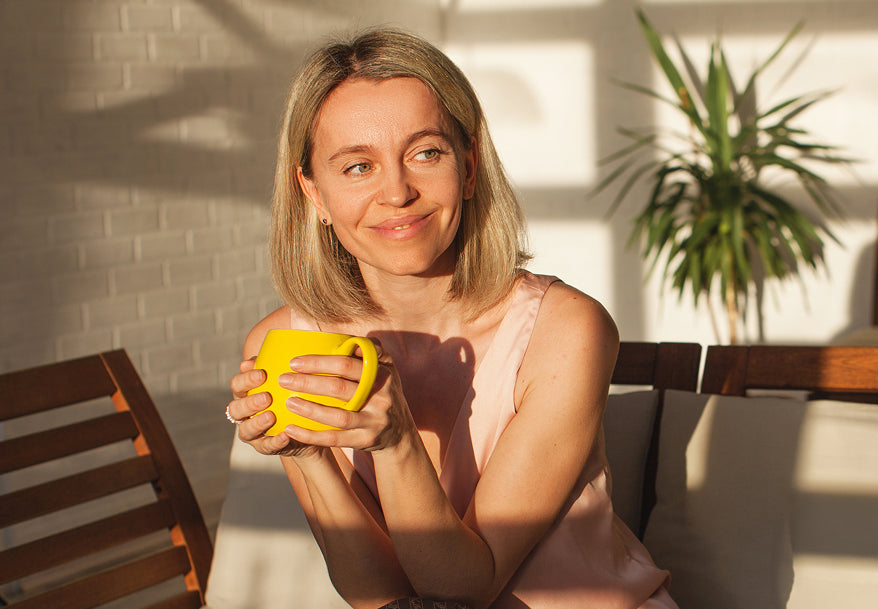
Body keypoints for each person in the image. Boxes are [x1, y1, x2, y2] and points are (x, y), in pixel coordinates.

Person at [224, 27, 678, 609]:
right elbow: (379, 597)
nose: (397, 192)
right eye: (358, 166)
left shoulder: (567, 331)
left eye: (425, 153)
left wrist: (396, 444)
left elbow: (466, 588)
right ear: (313, 194)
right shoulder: (284, 342)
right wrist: (306, 454)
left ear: (467, 170)